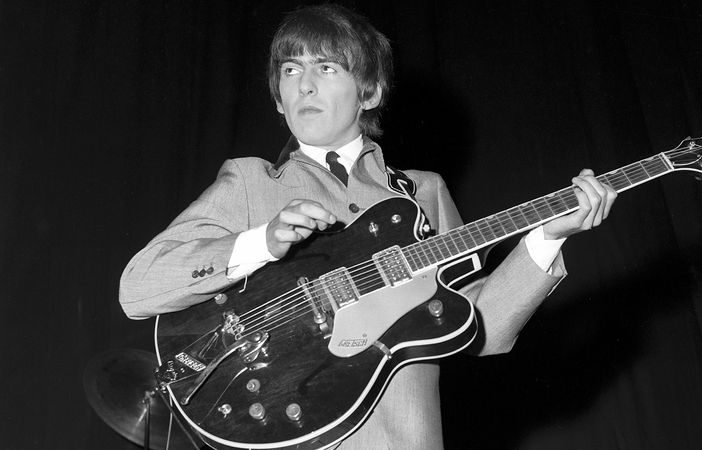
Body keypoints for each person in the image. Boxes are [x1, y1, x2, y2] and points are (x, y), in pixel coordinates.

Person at [119, 3, 617, 449]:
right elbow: (138, 290)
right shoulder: (250, 182)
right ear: (277, 98)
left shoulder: (422, 194)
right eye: (290, 70)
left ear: (370, 91)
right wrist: (260, 243)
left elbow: (480, 328)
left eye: (326, 67)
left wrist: (548, 236)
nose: (304, 84)